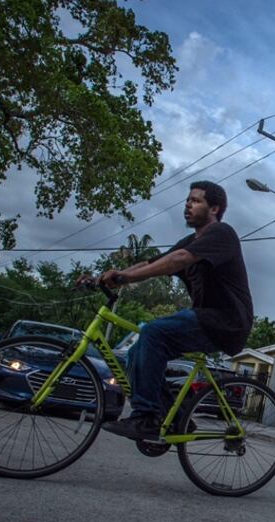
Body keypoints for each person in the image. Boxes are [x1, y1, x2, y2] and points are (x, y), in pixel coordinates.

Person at [91, 180, 254, 441]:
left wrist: (125, 278)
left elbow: (177, 261)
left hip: (226, 321)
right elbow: (153, 262)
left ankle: (146, 418)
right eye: (188, 200)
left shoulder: (222, 234)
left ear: (214, 208)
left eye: (196, 201)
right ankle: (174, 418)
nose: (188, 205)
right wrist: (114, 274)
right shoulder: (190, 240)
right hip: (204, 319)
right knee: (137, 352)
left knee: (153, 333)